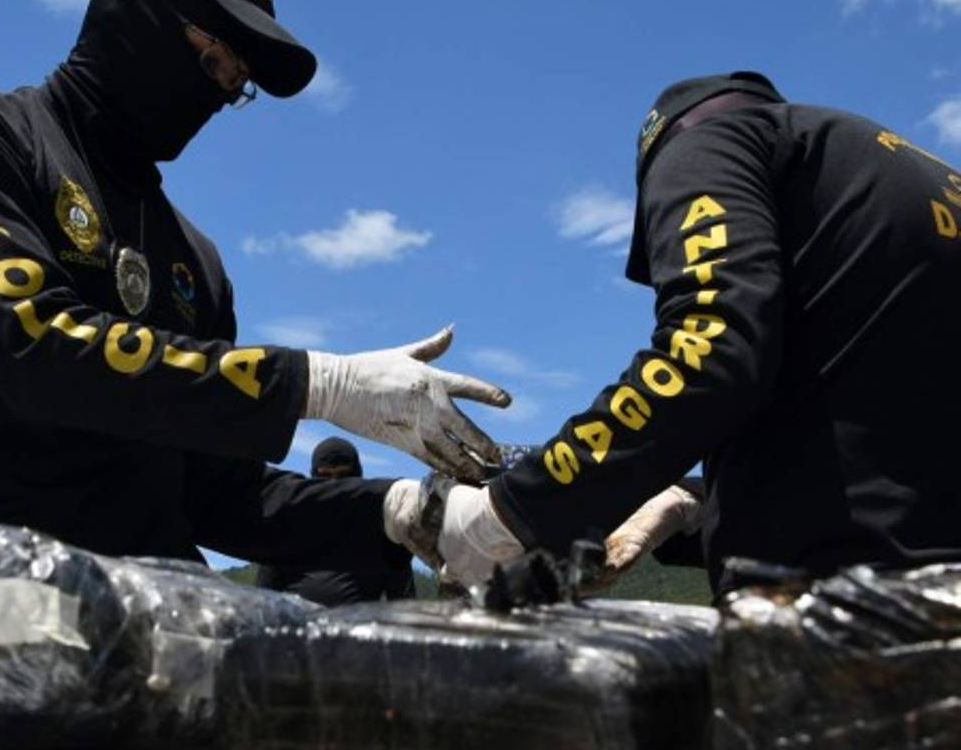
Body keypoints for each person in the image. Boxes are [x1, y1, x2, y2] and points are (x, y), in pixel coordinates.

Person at [0, 0, 511, 599]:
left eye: (233, 82)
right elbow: (36, 348)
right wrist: (312, 383)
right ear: (132, 16)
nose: (215, 94)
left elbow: (217, 495)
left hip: (130, 642)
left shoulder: (194, 266)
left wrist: (409, 512)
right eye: (210, 58)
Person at [386, 71, 961, 596]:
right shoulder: (903, 176)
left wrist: (508, 513)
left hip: (857, 628)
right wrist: (688, 503)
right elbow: (879, 440)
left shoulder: (709, 143)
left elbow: (710, 347)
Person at [256, 437, 416, 606]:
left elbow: (404, 604)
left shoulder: (382, 534)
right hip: (295, 628)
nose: (334, 486)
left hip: (356, 629)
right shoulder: (288, 527)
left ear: (358, 479)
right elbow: (264, 598)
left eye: (343, 476)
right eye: (325, 476)